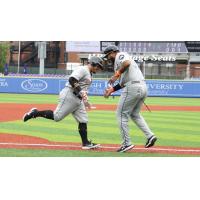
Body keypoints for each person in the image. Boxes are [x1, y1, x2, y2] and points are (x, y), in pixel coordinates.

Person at [23, 56, 104, 150]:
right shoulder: (83, 69)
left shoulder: (89, 73)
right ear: (93, 63)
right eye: (98, 66)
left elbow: (83, 88)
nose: (98, 69)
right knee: (57, 117)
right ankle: (35, 113)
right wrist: (80, 92)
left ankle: (85, 143)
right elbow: (72, 79)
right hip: (70, 95)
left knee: (83, 120)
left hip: (78, 99)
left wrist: (86, 101)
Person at [103, 45, 157, 153]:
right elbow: (122, 83)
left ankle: (126, 143)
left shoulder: (120, 55)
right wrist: (111, 90)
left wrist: (117, 74)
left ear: (113, 52)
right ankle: (150, 136)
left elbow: (127, 63)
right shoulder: (118, 63)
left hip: (133, 87)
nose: (107, 57)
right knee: (134, 114)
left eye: (108, 55)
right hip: (142, 87)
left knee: (121, 114)